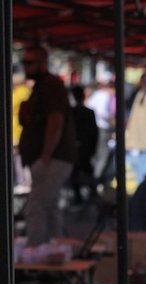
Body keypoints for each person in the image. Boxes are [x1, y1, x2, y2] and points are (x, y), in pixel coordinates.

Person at [18, 44, 78, 246]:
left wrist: (45, 155)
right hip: (49, 157)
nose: (26, 67)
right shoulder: (41, 86)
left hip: (53, 158)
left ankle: (37, 250)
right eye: (24, 62)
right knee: (49, 206)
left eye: (30, 62)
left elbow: (55, 121)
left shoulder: (50, 85)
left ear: (43, 63)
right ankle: (54, 249)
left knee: (36, 206)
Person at [70, 84, 99, 205]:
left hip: (80, 149)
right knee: (83, 171)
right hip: (84, 148)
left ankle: (84, 195)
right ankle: (89, 193)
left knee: (78, 172)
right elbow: (94, 133)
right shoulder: (87, 112)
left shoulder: (72, 113)